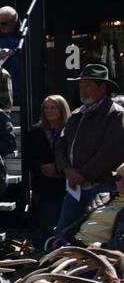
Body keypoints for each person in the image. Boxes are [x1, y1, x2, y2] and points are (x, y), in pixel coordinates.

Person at [53, 63, 124, 236]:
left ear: (103, 87)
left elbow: (110, 152)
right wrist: (67, 169)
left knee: (94, 233)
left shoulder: (116, 115)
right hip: (75, 188)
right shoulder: (77, 114)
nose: (83, 90)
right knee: (63, 233)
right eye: (81, 85)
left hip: (102, 187)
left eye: (88, 85)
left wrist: (82, 174)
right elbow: (60, 145)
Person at [26, 95, 69, 248]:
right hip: (44, 186)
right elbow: (28, 158)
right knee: (48, 222)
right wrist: (41, 168)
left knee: (66, 222)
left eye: (53, 107)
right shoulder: (35, 131)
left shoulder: (70, 129)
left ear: (61, 109)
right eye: (46, 108)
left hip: (66, 184)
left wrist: (58, 167)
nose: (49, 111)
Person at [54, 160, 124, 252]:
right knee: (36, 263)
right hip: (74, 246)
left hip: (101, 255)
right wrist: (62, 238)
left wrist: (102, 246)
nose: (121, 182)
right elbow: (79, 223)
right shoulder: (102, 197)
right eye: (118, 177)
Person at [0, 6, 23, 101]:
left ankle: (15, 95)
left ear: (14, 21)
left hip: (16, 71)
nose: (1, 26)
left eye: (4, 23)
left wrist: (14, 51)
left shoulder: (23, 33)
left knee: (16, 61)